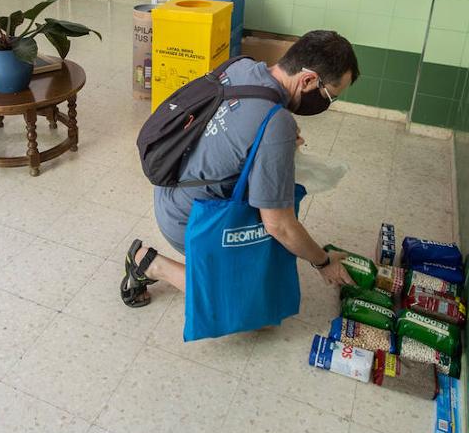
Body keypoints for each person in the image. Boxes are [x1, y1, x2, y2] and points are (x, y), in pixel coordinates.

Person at [122, 30, 361, 307]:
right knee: (241, 303)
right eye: (329, 96)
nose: (326, 105)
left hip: (170, 187)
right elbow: (279, 225)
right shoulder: (276, 122)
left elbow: (234, 135)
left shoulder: (243, 66)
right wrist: (322, 261)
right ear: (307, 79)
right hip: (190, 222)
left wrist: (279, 141)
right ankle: (148, 264)